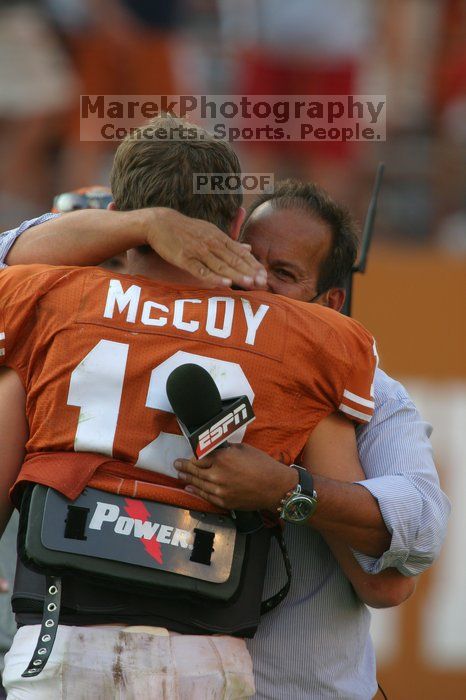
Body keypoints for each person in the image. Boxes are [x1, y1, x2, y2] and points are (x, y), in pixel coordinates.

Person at [0, 180, 448, 699]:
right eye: (240, 257)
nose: (252, 281)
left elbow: (403, 559)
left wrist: (288, 490)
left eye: (282, 275)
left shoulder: (361, 384)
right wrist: (141, 222)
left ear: (332, 302)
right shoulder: (134, 332)